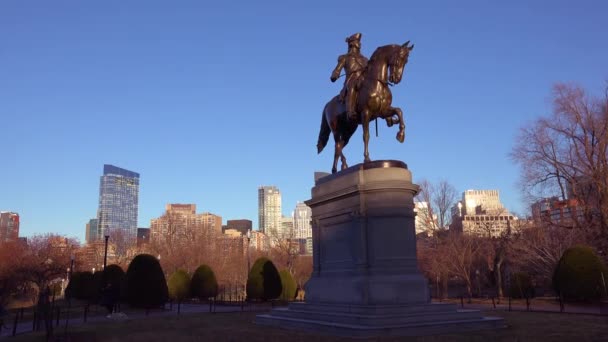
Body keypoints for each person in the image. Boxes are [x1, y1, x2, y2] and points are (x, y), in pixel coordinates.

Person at [330, 33, 368, 121]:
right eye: (357, 41)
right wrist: (335, 75)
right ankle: (350, 111)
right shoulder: (345, 58)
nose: (360, 44)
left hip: (363, 80)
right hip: (351, 80)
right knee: (352, 86)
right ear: (352, 43)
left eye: (359, 41)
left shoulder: (365, 59)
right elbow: (337, 69)